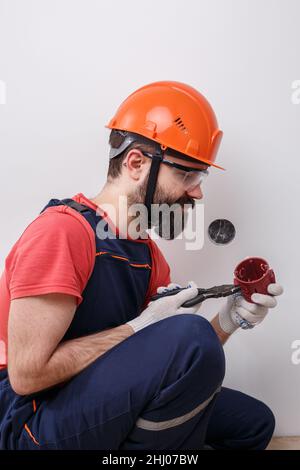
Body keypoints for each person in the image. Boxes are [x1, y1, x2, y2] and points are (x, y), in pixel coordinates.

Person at [0, 81, 283, 450]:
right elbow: (28, 375)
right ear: (136, 163)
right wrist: (139, 327)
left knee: (253, 423)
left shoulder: (148, 257)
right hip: (31, 420)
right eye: (187, 174)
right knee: (190, 334)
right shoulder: (63, 231)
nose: (197, 191)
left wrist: (229, 321)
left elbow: (181, 364)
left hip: (93, 402)